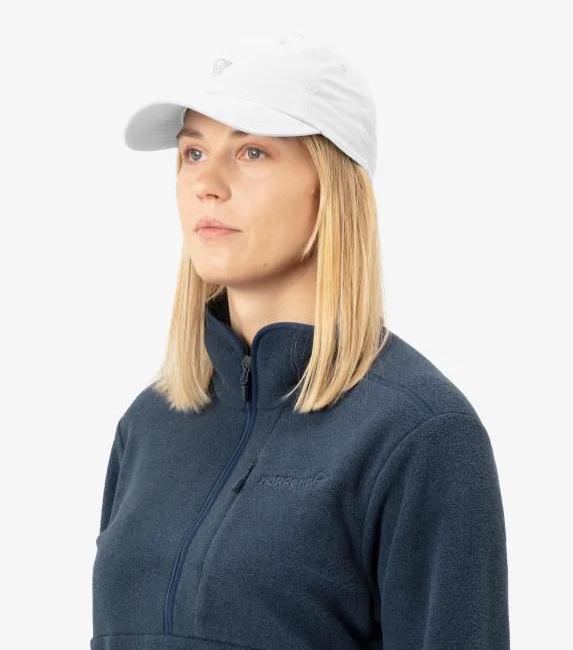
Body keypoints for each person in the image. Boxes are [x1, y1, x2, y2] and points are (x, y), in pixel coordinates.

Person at [90, 32, 510, 649]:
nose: (208, 183)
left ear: (331, 188)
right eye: (193, 152)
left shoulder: (418, 434)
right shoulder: (149, 425)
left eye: (252, 152)